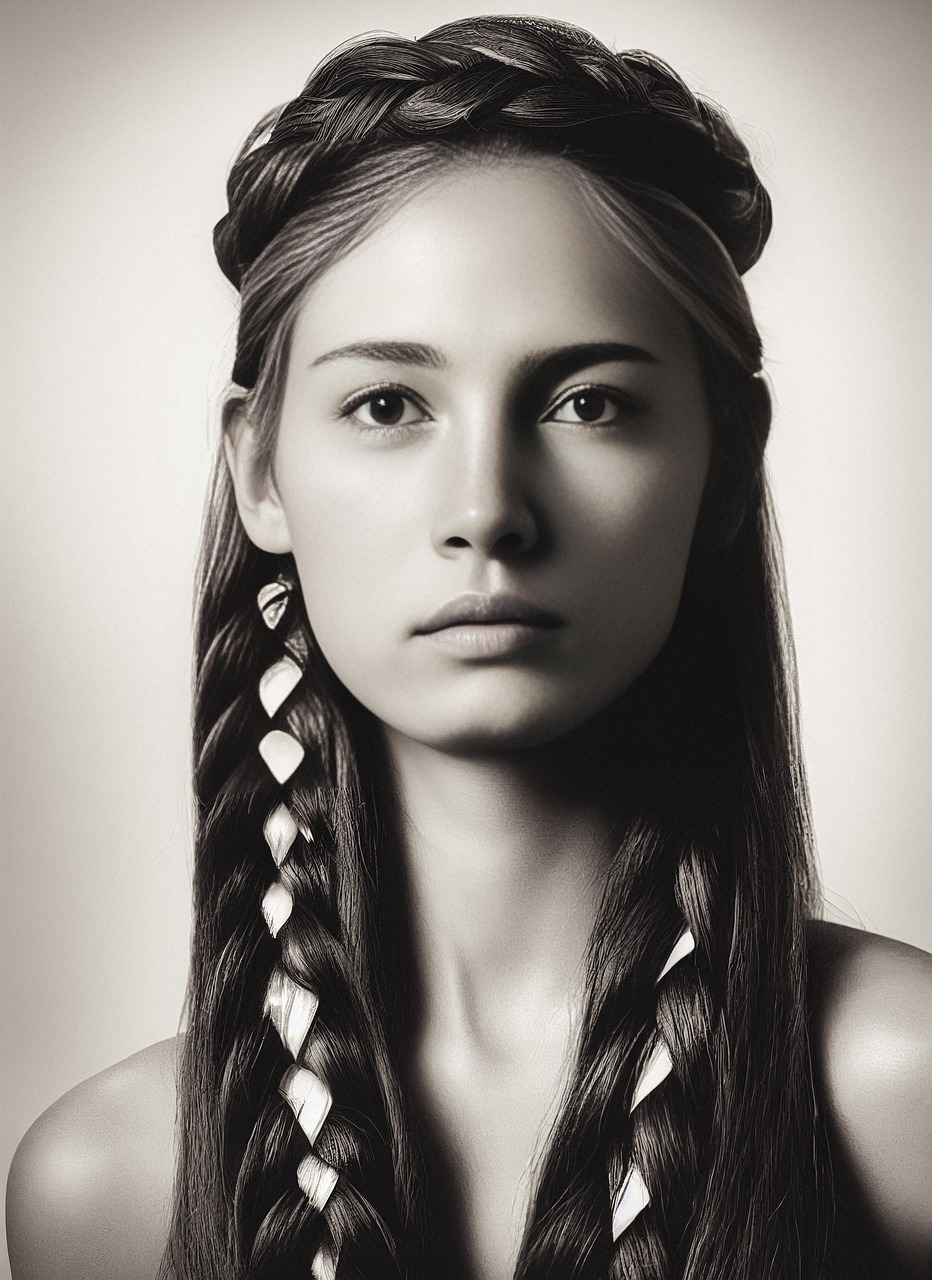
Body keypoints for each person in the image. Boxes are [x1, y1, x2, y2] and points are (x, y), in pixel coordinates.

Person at [7, 14, 931, 1280]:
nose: (486, 508)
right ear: (260, 470)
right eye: (387, 404)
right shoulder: (105, 1190)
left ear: (724, 465)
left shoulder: (902, 1096)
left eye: (588, 402)